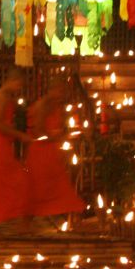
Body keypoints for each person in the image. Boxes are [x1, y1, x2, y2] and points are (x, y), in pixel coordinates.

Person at [0, 68, 32, 235]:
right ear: (13, 81)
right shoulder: (2, 97)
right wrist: (19, 135)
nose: (19, 89)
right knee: (17, 179)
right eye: (19, 85)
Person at [25, 77, 86, 220]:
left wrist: (65, 135)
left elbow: (61, 127)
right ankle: (26, 222)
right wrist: (55, 137)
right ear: (52, 90)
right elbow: (38, 129)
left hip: (52, 149)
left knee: (60, 186)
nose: (62, 94)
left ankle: (73, 220)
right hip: (41, 150)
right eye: (60, 90)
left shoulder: (58, 106)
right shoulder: (44, 105)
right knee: (37, 188)